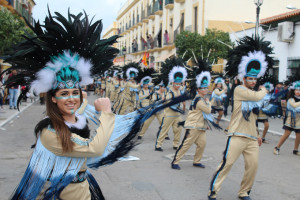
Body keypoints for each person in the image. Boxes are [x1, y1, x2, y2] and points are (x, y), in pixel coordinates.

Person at [208, 36, 272, 200]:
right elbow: (258, 97)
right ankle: (213, 191)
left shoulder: (253, 93)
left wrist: (257, 135)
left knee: (253, 166)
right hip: (236, 134)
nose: (252, 81)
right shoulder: (239, 90)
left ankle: (244, 192)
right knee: (227, 164)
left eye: (254, 78)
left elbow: (253, 116)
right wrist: (264, 90)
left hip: (251, 138)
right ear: (244, 79)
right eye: (249, 78)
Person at [172, 71, 216, 170]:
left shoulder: (202, 99)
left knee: (202, 144)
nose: (205, 89)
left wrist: (206, 124)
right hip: (193, 126)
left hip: (200, 126)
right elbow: (208, 110)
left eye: (206, 87)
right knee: (186, 145)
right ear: (198, 89)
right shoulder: (199, 100)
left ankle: (197, 161)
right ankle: (175, 161)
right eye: (203, 88)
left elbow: (202, 114)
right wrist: (209, 102)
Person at [155, 63, 187, 151]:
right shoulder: (169, 91)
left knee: (178, 129)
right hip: (169, 113)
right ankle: (158, 145)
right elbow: (168, 102)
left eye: (179, 84)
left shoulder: (180, 91)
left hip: (177, 114)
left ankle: (176, 144)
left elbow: (182, 103)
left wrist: (183, 106)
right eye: (176, 84)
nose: (178, 85)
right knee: (164, 130)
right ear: (173, 83)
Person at [273, 80, 300, 156]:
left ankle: (295, 150)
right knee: (286, 134)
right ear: (294, 91)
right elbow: (294, 105)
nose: (298, 92)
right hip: (290, 120)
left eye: (299, 90)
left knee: (298, 135)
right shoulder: (291, 99)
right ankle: (277, 147)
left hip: (298, 121)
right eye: (297, 90)